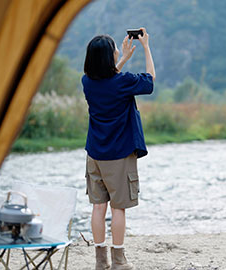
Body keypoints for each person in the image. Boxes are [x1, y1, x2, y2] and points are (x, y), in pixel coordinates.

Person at [81, 27, 155, 270]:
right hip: (119, 155)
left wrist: (122, 59)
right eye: (113, 49)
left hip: (95, 154)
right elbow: (150, 80)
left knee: (98, 207)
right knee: (118, 208)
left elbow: (108, 80)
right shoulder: (123, 82)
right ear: (107, 57)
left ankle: (100, 262)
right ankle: (119, 261)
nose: (116, 51)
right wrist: (145, 47)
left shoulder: (87, 83)